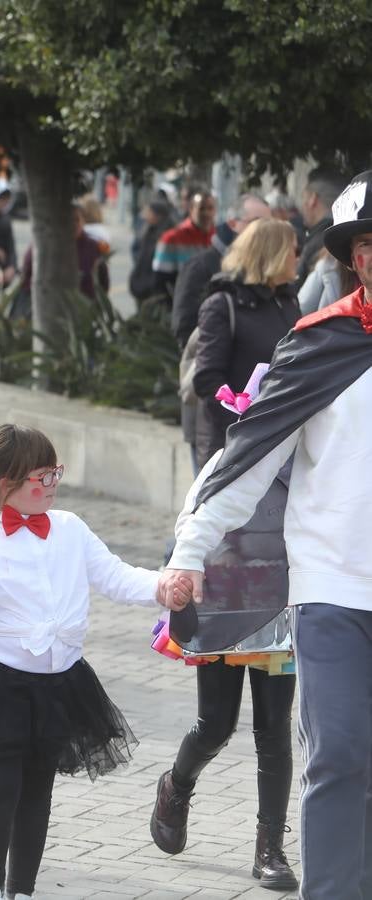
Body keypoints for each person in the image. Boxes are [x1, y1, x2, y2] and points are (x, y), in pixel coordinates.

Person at [160, 170, 372, 900]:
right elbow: (245, 458)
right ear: (355, 260)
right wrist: (191, 553)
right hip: (335, 588)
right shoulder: (322, 343)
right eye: (367, 247)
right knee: (338, 751)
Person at [0, 424, 186, 900]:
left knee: (36, 793)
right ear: (7, 483)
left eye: (55, 473)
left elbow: (114, 575)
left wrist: (161, 586)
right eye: (41, 477)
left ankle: (22, 891)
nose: (52, 485)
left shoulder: (69, 527)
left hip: (58, 681)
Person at [149, 462, 298, 890]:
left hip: (279, 613)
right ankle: (175, 787)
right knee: (216, 725)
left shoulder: (309, 463)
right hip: (222, 608)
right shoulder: (227, 459)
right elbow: (188, 525)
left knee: (274, 730)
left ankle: (270, 849)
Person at [187, 218, 301, 463]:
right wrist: (243, 428)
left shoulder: (288, 300)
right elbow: (208, 380)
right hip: (231, 446)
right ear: (275, 253)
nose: (298, 256)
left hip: (276, 439)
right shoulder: (222, 305)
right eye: (294, 249)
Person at [171, 193, 270, 347]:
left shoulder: (266, 265)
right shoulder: (200, 267)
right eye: (257, 223)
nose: (267, 232)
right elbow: (185, 328)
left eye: (270, 224)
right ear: (233, 224)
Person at [153, 188, 217, 301]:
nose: (206, 213)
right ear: (191, 209)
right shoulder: (170, 238)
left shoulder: (219, 238)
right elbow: (160, 281)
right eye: (201, 208)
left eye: (210, 208)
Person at [296, 170, 344, 283]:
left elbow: (301, 290)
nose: (302, 207)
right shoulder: (347, 236)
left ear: (313, 199)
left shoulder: (316, 242)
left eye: (303, 198)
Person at [129, 198, 178, 306]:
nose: (146, 215)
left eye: (149, 212)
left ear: (158, 215)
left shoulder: (168, 235)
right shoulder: (147, 230)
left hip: (157, 290)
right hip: (142, 285)